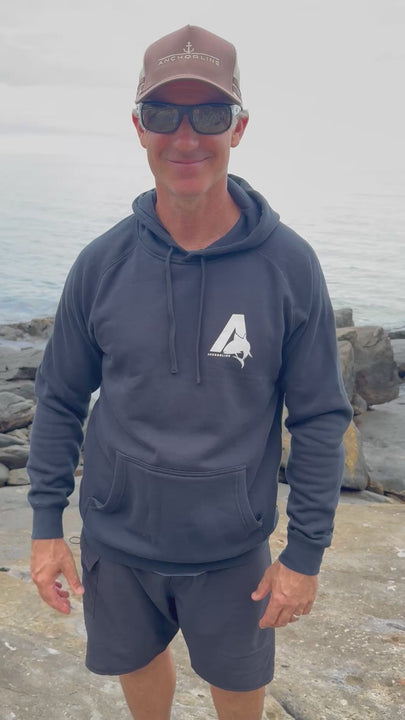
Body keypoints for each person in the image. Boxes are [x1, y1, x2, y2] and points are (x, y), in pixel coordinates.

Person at [28, 24, 352, 720]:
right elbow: (57, 398)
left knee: (237, 684)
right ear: (138, 127)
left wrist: (304, 554)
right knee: (137, 663)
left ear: (238, 127)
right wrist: (46, 525)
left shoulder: (289, 267)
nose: (184, 137)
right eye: (162, 113)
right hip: (117, 541)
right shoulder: (101, 264)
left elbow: (321, 417)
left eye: (207, 114)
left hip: (231, 549)